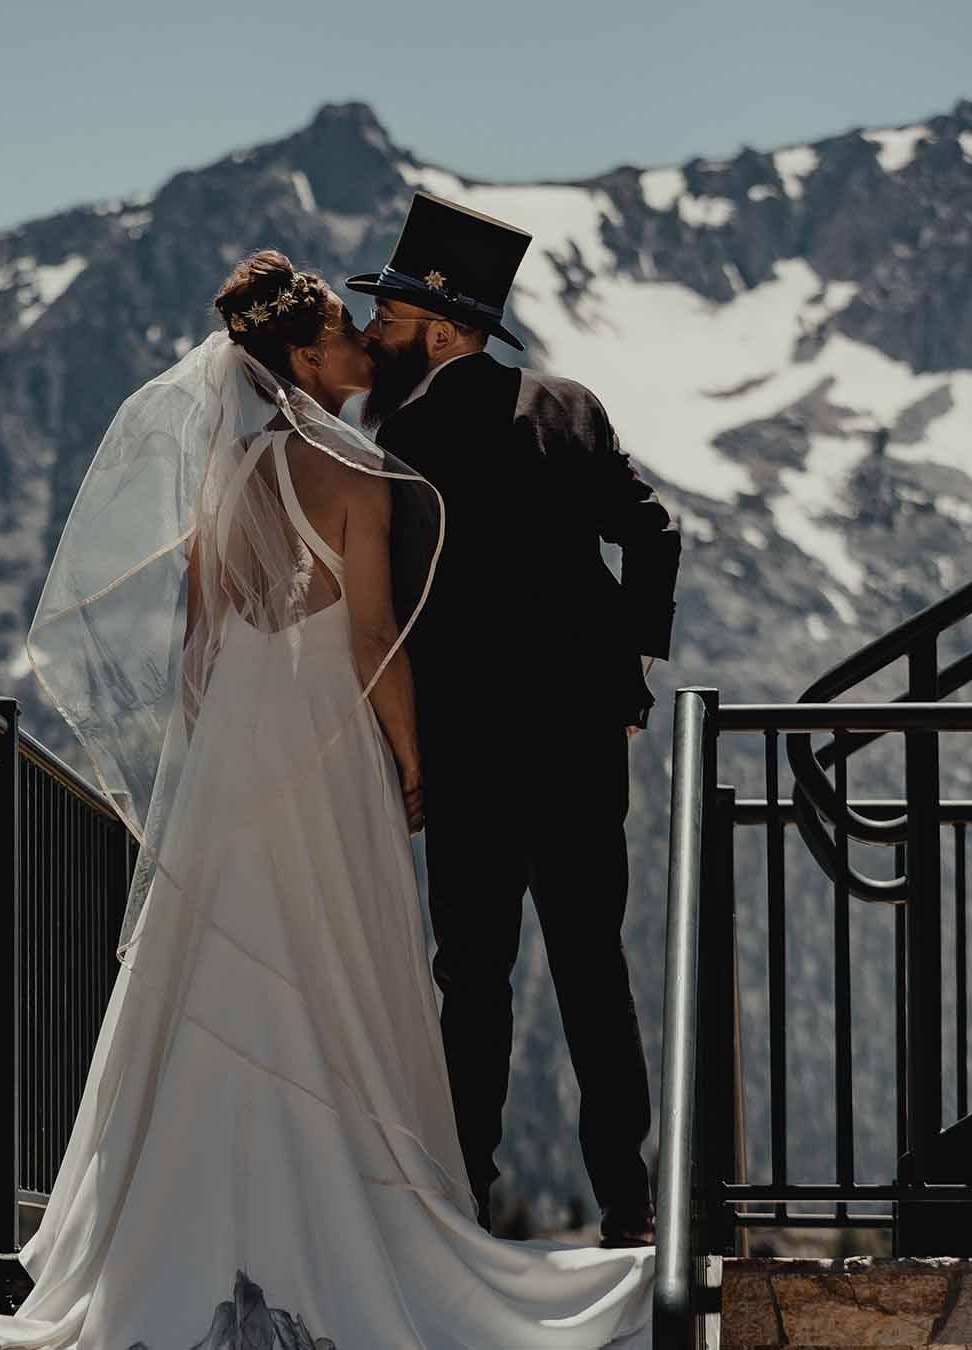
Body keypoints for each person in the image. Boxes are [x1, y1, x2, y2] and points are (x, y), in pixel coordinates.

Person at [0, 244, 652, 1349]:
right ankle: (529, 1208)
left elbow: (199, 646)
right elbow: (376, 635)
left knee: (280, 969)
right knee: (372, 963)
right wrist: (432, 754)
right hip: (353, 741)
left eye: (369, 323)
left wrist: (216, 759)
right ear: (300, 351)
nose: (360, 341)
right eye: (341, 328)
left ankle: (205, 1213)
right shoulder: (380, 462)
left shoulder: (242, 467)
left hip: (252, 741)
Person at [351, 192, 680, 1248]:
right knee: (596, 970)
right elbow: (655, 534)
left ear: (443, 327)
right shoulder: (571, 405)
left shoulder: (394, 438)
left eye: (392, 320)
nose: (376, 336)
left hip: (470, 755)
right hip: (582, 746)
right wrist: (628, 678)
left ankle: (463, 1201)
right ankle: (630, 1209)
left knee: (474, 979)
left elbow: (390, 612)